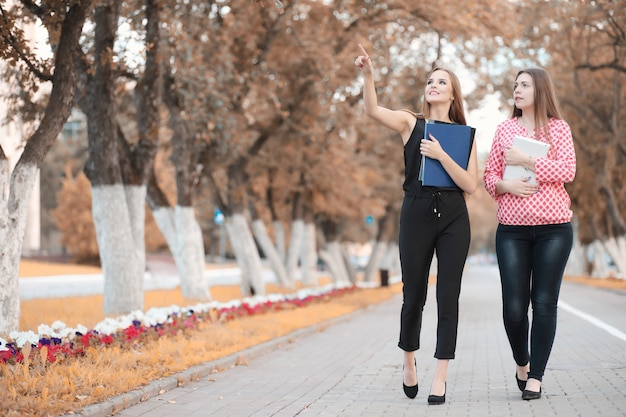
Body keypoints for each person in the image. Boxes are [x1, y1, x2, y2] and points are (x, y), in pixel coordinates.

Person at [354, 44, 478, 404]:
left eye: (441, 81)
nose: (433, 85)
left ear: (453, 92)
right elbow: (372, 110)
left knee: (448, 296)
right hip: (416, 213)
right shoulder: (411, 123)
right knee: (414, 297)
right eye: (429, 81)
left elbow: (471, 185)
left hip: (455, 215)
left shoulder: (465, 134)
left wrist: (441, 155)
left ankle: (440, 374)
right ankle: (409, 358)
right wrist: (368, 76)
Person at [483, 67, 576, 401]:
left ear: (540, 90)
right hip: (512, 232)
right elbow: (489, 175)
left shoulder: (558, 129)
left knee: (544, 302)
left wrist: (528, 161)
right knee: (513, 307)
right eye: (515, 85)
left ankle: (535, 376)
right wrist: (503, 184)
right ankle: (521, 362)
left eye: (524, 85)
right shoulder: (504, 129)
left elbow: (568, 170)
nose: (517, 90)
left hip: (554, 230)